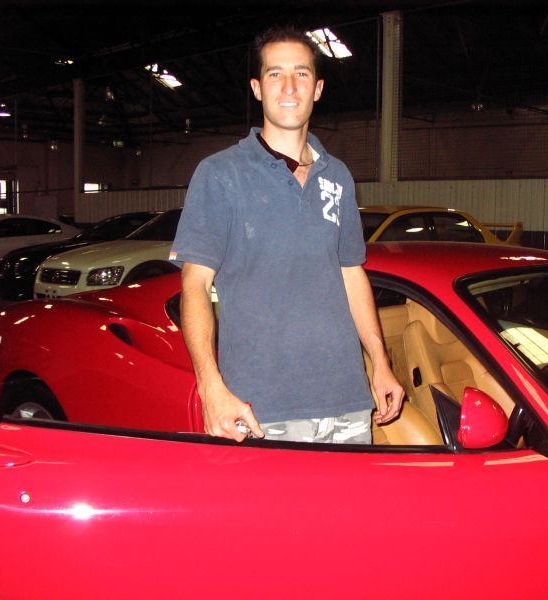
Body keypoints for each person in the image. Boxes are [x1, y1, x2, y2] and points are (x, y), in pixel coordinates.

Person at [170, 25, 404, 443]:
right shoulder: (220, 174)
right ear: (257, 89)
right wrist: (210, 387)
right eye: (276, 74)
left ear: (318, 89)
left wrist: (380, 363)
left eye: (302, 73)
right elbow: (195, 284)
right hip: (261, 408)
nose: (290, 87)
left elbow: (352, 274)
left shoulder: (338, 176)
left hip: (347, 401)